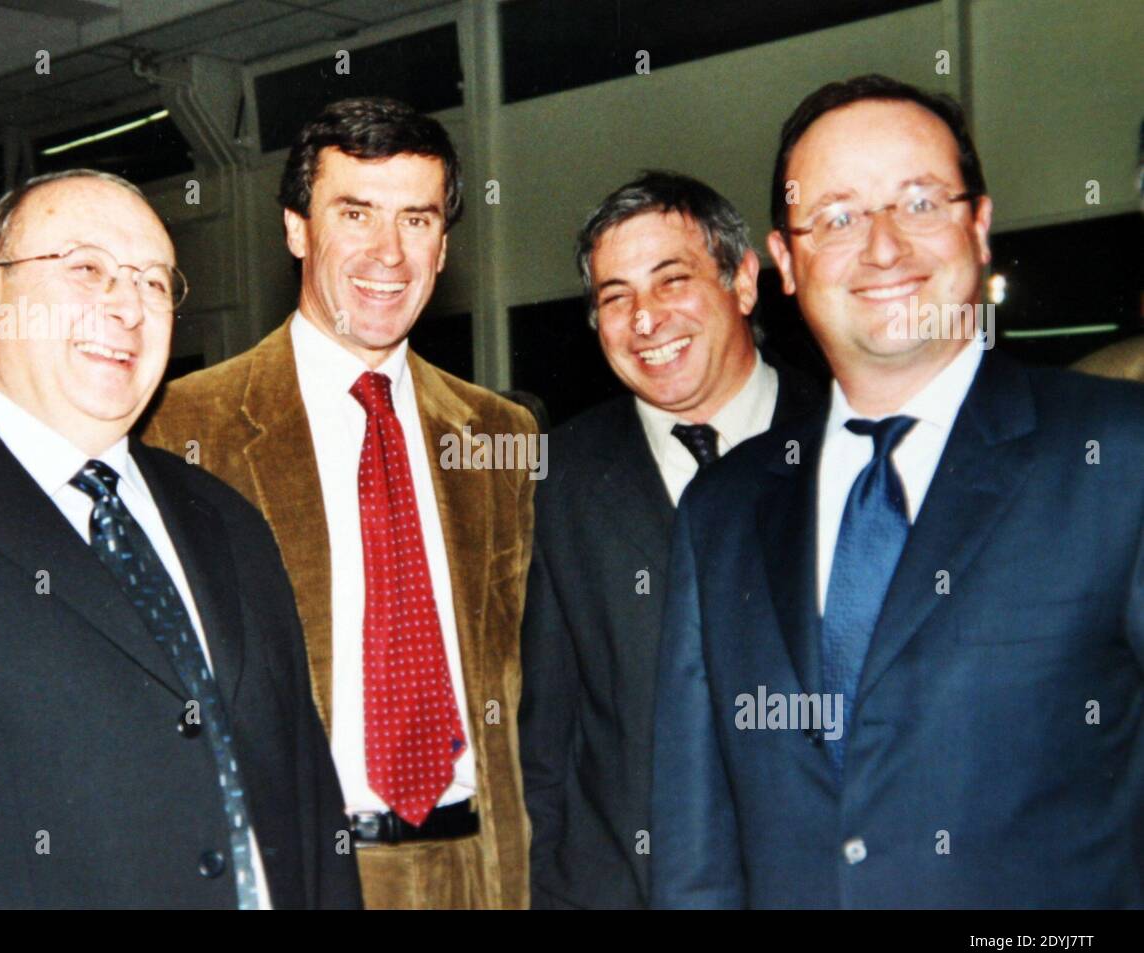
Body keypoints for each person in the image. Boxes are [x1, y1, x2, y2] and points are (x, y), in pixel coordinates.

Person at [651, 75, 1144, 907]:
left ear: (978, 226)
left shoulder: (1116, 455)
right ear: (784, 262)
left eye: (919, 202)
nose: (883, 248)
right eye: (838, 217)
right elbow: (696, 854)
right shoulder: (724, 511)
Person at [0, 169, 360, 909]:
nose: (126, 307)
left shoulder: (229, 520)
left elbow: (311, 812)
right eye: (86, 269)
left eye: (154, 283)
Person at [144, 98, 536, 909]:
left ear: (444, 243)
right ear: (297, 229)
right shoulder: (185, 426)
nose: (388, 253)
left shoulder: (499, 435)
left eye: (417, 219)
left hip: (475, 869)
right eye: (355, 213)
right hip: (300, 875)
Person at [519, 171, 820, 908]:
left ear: (744, 281)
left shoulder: (850, 444)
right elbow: (544, 743)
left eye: (671, 280)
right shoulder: (559, 479)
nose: (645, 319)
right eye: (615, 296)